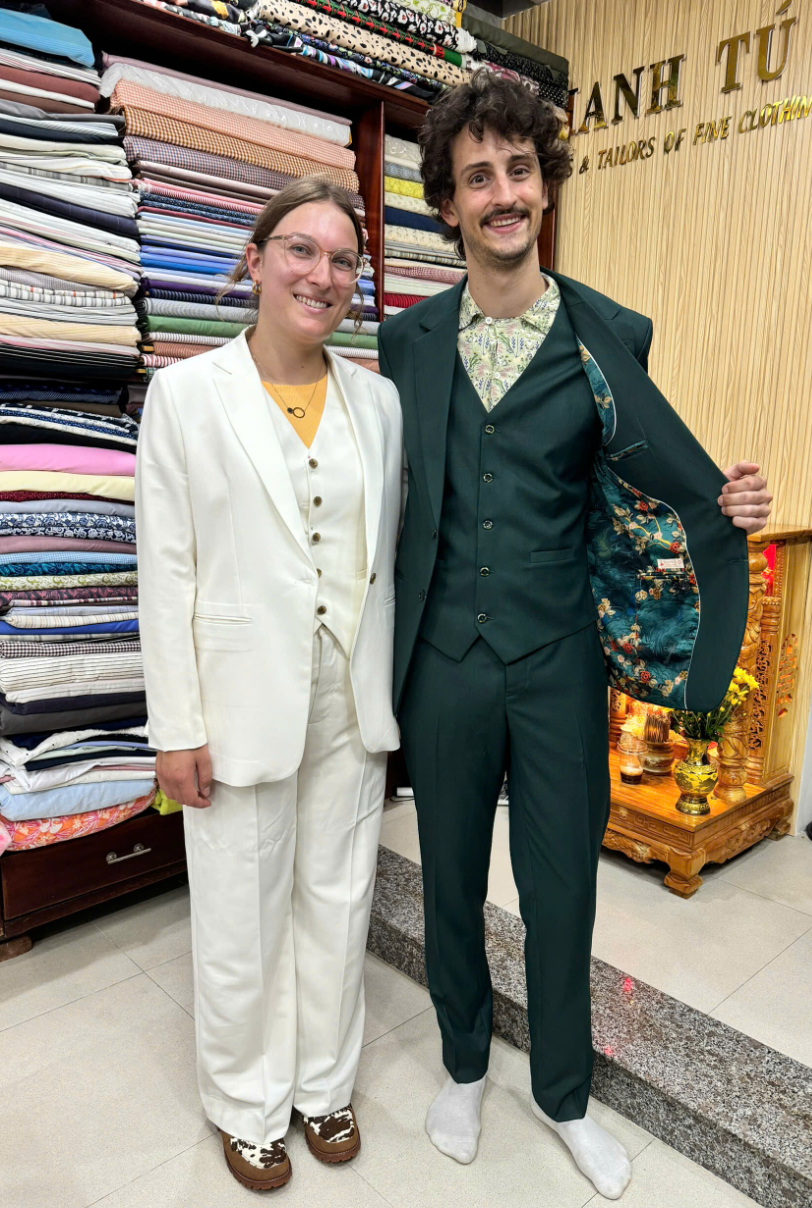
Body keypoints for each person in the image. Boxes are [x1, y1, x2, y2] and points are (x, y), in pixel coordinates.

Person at [378, 71, 772, 1201]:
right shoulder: (406, 343)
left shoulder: (609, 332)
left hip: (558, 663)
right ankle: (462, 1064)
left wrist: (727, 507)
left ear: (544, 185)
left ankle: (564, 1093)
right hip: (442, 663)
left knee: (562, 891)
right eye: (477, 177)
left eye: (519, 170)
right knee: (448, 879)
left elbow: (648, 486)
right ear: (447, 203)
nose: (502, 193)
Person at [135, 178, 402, 1193]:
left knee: (339, 898)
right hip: (236, 696)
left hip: (348, 693)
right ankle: (247, 1104)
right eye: (301, 249)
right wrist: (175, 726)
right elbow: (166, 570)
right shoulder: (186, 394)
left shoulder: (377, 402)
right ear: (255, 260)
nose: (321, 274)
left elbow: (380, 557)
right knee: (241, 910)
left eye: (343, 260)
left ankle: (324, 1083)